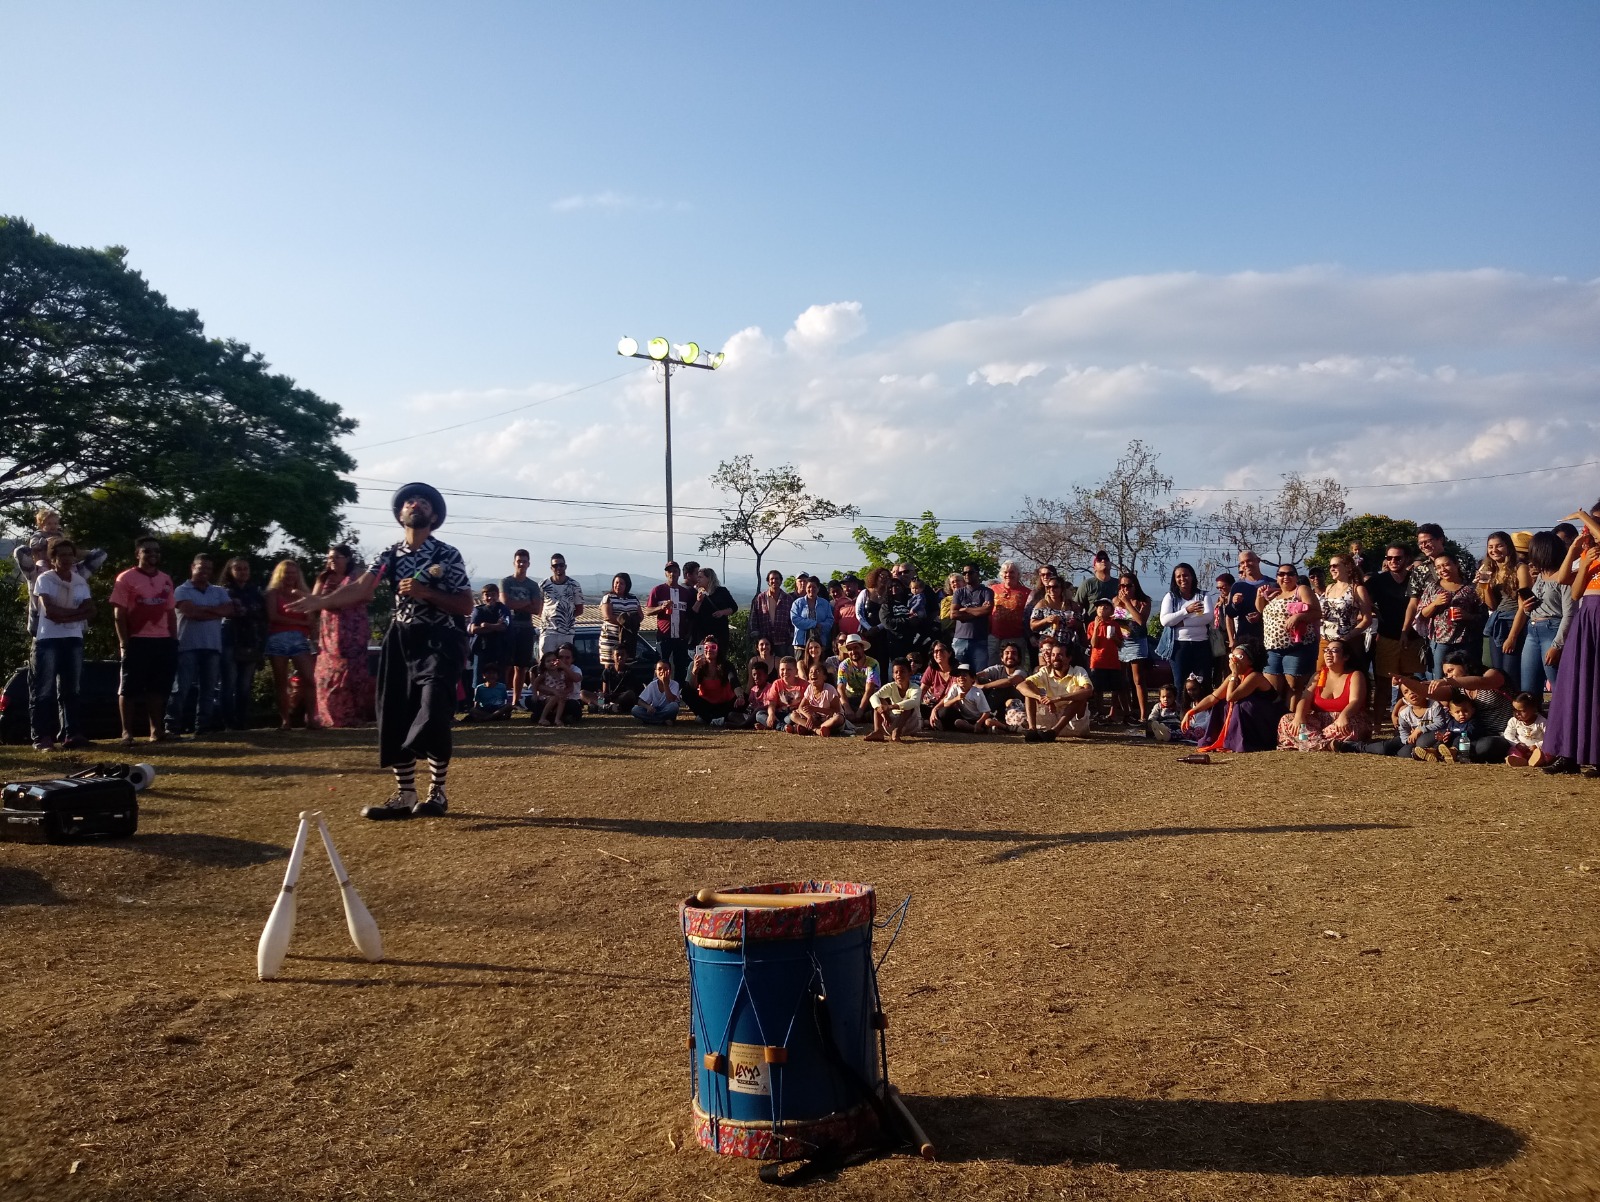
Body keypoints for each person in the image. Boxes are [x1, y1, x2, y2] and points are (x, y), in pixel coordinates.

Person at [289, 482, 474, 819]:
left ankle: (437, 792)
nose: (414, 503)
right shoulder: (388, 555)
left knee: (433, 710)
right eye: (407, 501)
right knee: (393, 713)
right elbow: (361, 589)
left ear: (434, 516)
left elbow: (465, 604)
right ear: (400, 514)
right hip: (400, 640)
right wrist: (320, 601)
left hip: (440, 640)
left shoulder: (447, 554)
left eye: (422, 502)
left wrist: (426, 593)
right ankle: (405, 795)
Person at [1539, 502, 1600, 776]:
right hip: (1587, 617)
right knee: (1574, 684)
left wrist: (1581, 514)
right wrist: (1577, 553)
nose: (1586, 526)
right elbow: (1568, 586)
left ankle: (1596, 755)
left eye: (1592, 522)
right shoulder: (1590, 552)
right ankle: (1569, 752)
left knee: (1596, 686)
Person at [110, 536, 179, 746]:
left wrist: (173, 640)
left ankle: (156, 731)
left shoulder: (165, 579)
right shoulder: (126, 578)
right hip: (136, 640)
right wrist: (124, 642)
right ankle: (126, 733)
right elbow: (119, 613)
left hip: (163, 641)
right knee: (129, 688)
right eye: (147, 551)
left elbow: (170, 613)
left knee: (158, 688)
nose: (153, 555)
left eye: (156, 551)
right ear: (138, 554)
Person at [28, 537, 95, 750]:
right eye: (61, 555)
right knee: (44, 690)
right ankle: (42, 737)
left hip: (73, 639)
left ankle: (71, 734)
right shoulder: (45, 579)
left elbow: (91, 610)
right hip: (49, 640)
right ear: (53, 558)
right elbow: (49, 611)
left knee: (71, 689)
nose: (66, 559)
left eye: (69, 554)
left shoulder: (79, 581)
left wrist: (66, 616)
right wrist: (76, 614)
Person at [1398, 650, 1514, 763]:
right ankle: (1442, 752)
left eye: (1450, 670)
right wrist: (1407, 682)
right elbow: (1430, 692)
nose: (1449, 676)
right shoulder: (1457, 688)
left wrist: (1447, 681)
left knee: (1485, 746)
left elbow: (1483, 682)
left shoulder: (1493, 673)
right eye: (1446, 674)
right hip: (1469, 733)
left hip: (1499, 734)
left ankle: (1450, 752)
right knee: (1424, 741)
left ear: (1464, 665)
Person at [167, 553, 236, 737]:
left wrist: (203, 609)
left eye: (208, 568)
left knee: (208, 690)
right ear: (192, 567)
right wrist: (215, 611)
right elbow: (191, 613)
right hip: (186, 646)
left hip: (212, 647)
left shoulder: (219, 590)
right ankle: (172, 727)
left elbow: (229, 610)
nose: (205, 571)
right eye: (201, 567)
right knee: (181, 688)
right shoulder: (182, 590)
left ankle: (203, 727)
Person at [1507, 531, 1574, 699]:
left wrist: (1557, 645)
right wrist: (1528, 608)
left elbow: (1569, 614)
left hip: (1553, 630)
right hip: (1533, 630)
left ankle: (1563, 723)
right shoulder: (1540, 576)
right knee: (1528, 687)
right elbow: (1540, 606)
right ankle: (1534, 723)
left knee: (1558, 684)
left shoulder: (1565, 577)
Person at [313, 544, 374, 728]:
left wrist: (341, 600)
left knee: (353, 673)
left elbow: (368, 595)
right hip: (329, 631)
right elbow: (314, 600)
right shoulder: (324, 578)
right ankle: (330, 717)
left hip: (354, 628)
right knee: (328, 674)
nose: (332, 561)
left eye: (337, 557)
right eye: (330, 557)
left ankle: (353, 715)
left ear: (347, 558)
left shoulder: (358, 574)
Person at [1277, 640, 1371, 751]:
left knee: (1350, 726)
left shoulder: (1355, 675)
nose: (1328, 654)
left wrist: (1344, 716)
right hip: (1319, 723)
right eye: (1326, 650)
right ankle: (1330, 745)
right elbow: (1305, 699)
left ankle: (1308, 743)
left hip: (1346, 719)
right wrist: (1299, 716)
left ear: (1346, 657)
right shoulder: (1318, 675)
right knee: (1286, 720)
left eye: (1334, 651)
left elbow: (1356, 701)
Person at [1188, 643, 1283, 753]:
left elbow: (1231, 697)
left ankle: (1247, 742)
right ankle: (1229, 739)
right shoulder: (1234, 677)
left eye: (1239, 657)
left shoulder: (1255, 676)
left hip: (1268, 719)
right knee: (1220, 703)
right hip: (1253, 717)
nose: (1234, 660)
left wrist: (1234, 673)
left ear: (1250, 661)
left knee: (1241, 705)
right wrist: (1192, 711)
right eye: (1231, 656)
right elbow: (1213, 698)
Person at [264, 560, 321, 732]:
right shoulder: (272, 593)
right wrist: (299, 622)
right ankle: (285, 721)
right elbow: (272, 616)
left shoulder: (304, 593)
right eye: (286, 572)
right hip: (277, 638)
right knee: (281, 682)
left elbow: (311, 619)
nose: (290, 576)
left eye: (293, 572)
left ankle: (311, 718)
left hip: (299, 639)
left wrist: (311, 631)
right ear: (280, 574)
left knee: (309, 679)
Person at [1366, 543, 1424, 710]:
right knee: (1383, 683)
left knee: (1409, 684)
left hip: (1413, 638)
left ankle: (1402, 720)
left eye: (1398, 558)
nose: (1393, 561)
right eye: (1389, 558)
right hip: (1387, 636)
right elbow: (1362, 599)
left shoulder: (1416, 578)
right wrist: (1374, 610)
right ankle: (1377, 725)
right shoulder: (1378, 579)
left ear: (1407, 559)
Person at [1257, 562, 1321, 706]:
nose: (1286, 577)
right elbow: (1261, 610)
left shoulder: (1301, 590)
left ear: (1296, 577)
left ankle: (1291, 720)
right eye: (1281, 574)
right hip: (1272, 649)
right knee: (1271, 689)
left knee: (1293, 687)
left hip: (1297, 648)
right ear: (1277, 577)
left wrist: (1298, 617)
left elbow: (1317, 612)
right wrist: (1260, 596)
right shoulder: (1274, 594)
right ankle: (1274, 722)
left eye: (1290, 573)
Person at [1415, 554, 1483, 680]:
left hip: (1466, 641)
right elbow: (1422, 615)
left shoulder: (1470, 588)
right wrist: (1435, 603)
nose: (1443, 570)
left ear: (1456, 564)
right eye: (1439, 567)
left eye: (1446, 565)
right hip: (1441, 642)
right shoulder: (1433, 587)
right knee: (1440, 678)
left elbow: (1482, 616)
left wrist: (1467, 616)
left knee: (1468, 677)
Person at [218, 556, 266, 730]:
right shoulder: (223, 591)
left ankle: (242, 721)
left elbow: (262, 615)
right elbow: (235, 611)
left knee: (245, 685)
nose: (243, 572)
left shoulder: (256, 591)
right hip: (230, 640)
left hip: (252, 641)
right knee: (228, 683)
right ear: (230, 571)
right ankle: (227, 722)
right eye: (238, 568)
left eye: (245, 568)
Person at [1158, 563, 1213, 707]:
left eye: (1186, 575)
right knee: (1180, 682)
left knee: (1203, 681)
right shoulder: (1170, 597)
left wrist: (1182, 623)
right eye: (1179, 576)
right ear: (1174, 579)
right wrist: (1186, 611)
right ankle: (1182, 717)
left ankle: (1204, 715)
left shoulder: (1204, 595)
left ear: (1192, 576)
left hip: (1201, 645)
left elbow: (1207, 617)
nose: (1183, 579)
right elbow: (1165, 620)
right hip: (1179, 646)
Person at [1017, 640, 1093, 740]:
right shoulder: (1045, 671)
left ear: (1069, 658)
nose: (1055, 658)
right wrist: (1040, 697)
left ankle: (1055, 732)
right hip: (1050, 717)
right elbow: (1021, 685)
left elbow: (1088, 691)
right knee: (1029, 691)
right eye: (1053, 655)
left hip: (1073, 724)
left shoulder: (1078, 671)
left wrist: (1058, 698)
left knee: (1080, 691)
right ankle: (1032, 730)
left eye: (1060, 655)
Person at [1349, 677, 1445, 757]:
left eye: (1414, 689)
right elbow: (1403, 731)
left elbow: (1440, 723)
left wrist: (1420, 729)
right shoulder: (1405, 713)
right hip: (1411, 741)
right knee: (1389, 749)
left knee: (1420, 744)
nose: (1411, 693)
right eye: (1406, 692)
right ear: (1404, 698)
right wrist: (1407, 740)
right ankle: (1355, 747)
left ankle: (1426, 753)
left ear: (1422, 689)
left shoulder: (1434, 706)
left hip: (1431, 737)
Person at [1476, 532, 1523, 691]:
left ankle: (1518, 711)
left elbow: (1523, 606)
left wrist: (1512, 637)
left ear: (1508, 547)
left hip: (1514, 622)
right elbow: (1492, 606)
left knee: (1511, 673)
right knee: (1498, 673)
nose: (1494, 550)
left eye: (1499, 545)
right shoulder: (1491, 570)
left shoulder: (1519, 568)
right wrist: (1485, 585)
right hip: (1497, 622)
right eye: (1490, 547)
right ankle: (1504, 711)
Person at [500, 550, 542, 716]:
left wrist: (516, 604)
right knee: (506, 666)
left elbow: (536, 608)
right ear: (514, 562)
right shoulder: (506, 582)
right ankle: (502, 700)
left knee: (521, 667)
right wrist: (526, 603)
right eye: (519, 561)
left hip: (526, 628)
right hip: (509, 629)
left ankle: (516, 701)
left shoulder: (532, 585)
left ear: (528, 564)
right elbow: (505, 603)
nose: (521, 564)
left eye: (524, 561)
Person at [1113, 571, 1154, 723]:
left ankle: (1144, 715)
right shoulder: (1116, 600)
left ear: (1135, 586)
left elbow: (1140, 621)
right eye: (1122, 586)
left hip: (1137, 642)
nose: (1125, 589)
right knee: (1120, 679)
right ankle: (1125, 712)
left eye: (1129, 585)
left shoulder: (1144, 602)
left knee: (1137, 679)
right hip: (1120, 642)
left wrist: (1128, 603)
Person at [645, 562, 696, 684]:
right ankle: (659, 694)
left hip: (681, 637)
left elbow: (690, 615)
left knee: (680, 668)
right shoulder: (658, 590)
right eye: (669, 571)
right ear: (665, 573)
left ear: (679, 574)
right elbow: (648, 611)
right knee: (661, 666)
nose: (672, 573)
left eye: (675, 571)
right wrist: (661, 607)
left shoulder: (685, 593)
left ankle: (678, 694)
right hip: (664, 636)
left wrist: (688, 633)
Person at [1319, 553, 1373, 666]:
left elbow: (1367, 619)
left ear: (1347, 567)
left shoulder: (1357, 589)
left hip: (1348, 642)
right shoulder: (1329, 588)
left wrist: (1346, 638)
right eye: (1330, 566)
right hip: (1326, 640)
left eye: (1335, 566)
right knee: (1321, 676)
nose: (1331, 569)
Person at [932, 663, 1005, 733]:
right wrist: (956, 698)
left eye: (964, 675)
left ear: (972, 679)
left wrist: (978, 722)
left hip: (979, 719)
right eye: (958, 675)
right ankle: (978, 729)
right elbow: (946, 704)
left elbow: (986, 712)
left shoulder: (977, 692)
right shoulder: (955, 687)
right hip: (965, 718)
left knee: (988, 722)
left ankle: (1005, 728)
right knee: (952, 718)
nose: (961, 678)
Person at [1029, 577, 1083, 667]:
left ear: (1061, 588)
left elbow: (1080, 625)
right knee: (1045, 671)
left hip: (1065, 645)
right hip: (1047, 644)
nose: (1051, 590)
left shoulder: (1071, 605)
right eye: (1048, 587)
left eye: (1055, 587)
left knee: (1063, 672)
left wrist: (1074, 623)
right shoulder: (1042, 604)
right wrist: (1046, 620)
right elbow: (1032, 625)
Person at [1086, 597, 1125, 722]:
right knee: (1098, 689)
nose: (1102, 609)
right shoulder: (1092, 625)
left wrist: (1114, 638)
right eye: (1100, 607)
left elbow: (1120, 644)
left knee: (1115, 688)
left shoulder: (1115, 624)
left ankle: (1112, 712)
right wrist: (1097, 627)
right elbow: (1094, 644)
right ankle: (1100, 712)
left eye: (1106, 607)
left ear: (1111, 611)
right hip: (1097, 661)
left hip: (1113, 661)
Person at [539, 552, 585, 657]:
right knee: (546, 665)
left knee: (565, 666)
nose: (558, 567)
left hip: (566, 633)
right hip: (548, 632)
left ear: (565, 566)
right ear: (551, 568)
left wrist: (566, 617)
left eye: (561, 565)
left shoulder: (574, 585)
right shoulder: (543, 585)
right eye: (555, 565)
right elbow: (539, 608)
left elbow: (579, 609)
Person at [865, 658, 922, 742]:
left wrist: (890, 707)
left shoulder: (915, 688)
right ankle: (878, 731)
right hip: (891, 723)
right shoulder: (890, 686)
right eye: (896, 672)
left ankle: (897, 731)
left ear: (910, 673)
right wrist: (882, 711)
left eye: (902, 672)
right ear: (892, 675)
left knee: (908, 706)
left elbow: (914, 701)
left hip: (912, 724)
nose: (899, 674)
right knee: (878, 702)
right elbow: (873, 697)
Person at [467, 583, 512, 688]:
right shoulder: (478, 610)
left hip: (500, 649)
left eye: (493, 594)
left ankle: (499, 703)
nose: (490, 597)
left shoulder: (503, 609)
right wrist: (495, 626)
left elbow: (504, 627)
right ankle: (477, 703)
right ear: (483, 597)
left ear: (497, 596)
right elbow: (474, 629)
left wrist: (486, 625)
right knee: (478, 680)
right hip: (481, 649)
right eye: (487, 595)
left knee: (500, 680)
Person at [686, 639, 740, 726]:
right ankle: (716, 719)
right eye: (706, 647)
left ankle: (708, 719)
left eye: (713, 647)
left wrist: (740, 696)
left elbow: (734, 681)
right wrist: (695, 670)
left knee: (744, 698)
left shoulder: (726, 665)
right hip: (705, 704)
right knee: (685, 692)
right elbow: (692, 688)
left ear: (718, 650)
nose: (709, 650)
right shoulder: (694, 664)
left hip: (724, 704)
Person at [1224, 550, 1269, 650]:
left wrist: (1261, 615)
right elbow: (1230, 614)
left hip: (1268, 638)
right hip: (1244, 639)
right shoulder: (1238, 586)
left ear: (1258, 561)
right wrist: (1234, 604)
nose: (1246, 565)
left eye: (1249, 561)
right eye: (1242, 563)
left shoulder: (1272, 584)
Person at [835, 633, 881, 728]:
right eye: (850, 649)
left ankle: (857, 717)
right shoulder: (844, 665)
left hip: (869, 699)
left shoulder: (873, 664)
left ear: (862, 648)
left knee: (878, 705)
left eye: (856, 648)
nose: (853, 651)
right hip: (851, 699)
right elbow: (840, 688)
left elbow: (869, 690)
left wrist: (860, 711)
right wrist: (847, 708)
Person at [988, 561, 1029, 667]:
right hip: (995, 636)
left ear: (1018, 574)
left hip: (1016, 636)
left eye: (1012, 572)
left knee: (1015, 667)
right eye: (1005, 572)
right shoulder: (993, 589)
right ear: (1002, 574)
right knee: (992, 666)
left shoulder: (1026, 592)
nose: (1008, 575)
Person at [788, 662, 845, 736]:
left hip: (829, 720)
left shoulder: (829, 689)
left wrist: (816, 709)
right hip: (816, 720)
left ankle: (810, 728)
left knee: (838, 718)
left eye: (817, 671)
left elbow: (836, 711)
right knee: (793, 715)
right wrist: (809, 716)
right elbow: (801, 707)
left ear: (824, 677)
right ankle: (816, 730)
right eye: (811, 672)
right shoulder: (809, 688)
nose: (813, 674)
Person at [599, 573, 642, 668]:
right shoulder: (608, 598)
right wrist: (625, 621)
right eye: (616, 582)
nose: (618, 585)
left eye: (621, 583)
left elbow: (640, 615)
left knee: (626, 667)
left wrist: (633, 621)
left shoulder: (633, 598)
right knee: (610, 668)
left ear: (627, 585)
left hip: (628, 639)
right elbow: (608, 616)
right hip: (611, 638)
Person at [691, 567, 738, 651]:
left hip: (720, 632)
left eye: (701, 577)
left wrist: (722, 612)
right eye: (697, 577)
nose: (698, 579)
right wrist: (698, 601)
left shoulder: (721, 591)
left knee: (720, 657)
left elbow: (734, 607)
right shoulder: (696, 593)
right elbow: (693, 614)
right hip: (702, 633)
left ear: (709, 578)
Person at [789, 577, 834, 661]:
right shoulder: (798, 603)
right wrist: (814, 624)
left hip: (819, 643)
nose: (811, 589)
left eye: (814, 587)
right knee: (801, 667)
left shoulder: (825, 603)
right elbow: (795, 619)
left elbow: (830, 620)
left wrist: (821, 626)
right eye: (809, 587)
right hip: (801, 644)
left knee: (818, 668)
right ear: (806, 588)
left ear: (818, 589)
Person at [750, 570, 794, 655]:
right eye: (772, 579)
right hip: (765, 641)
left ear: (781, 581)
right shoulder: (761, 598)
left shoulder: (788, 599)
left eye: (777, 579)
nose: (774, 581)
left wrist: (792, 634)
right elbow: (754, 616)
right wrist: (755, 633)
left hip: (782, 641)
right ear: (768, 582)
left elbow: (792, 619)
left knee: (781, 665)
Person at [632, 659, 682, 725]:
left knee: (674, 706)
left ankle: (651, 720)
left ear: (670, 671)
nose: (662, 671)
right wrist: (648, 707)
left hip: (667, 710)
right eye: (659, 669)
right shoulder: (652, 685)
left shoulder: (674, 684)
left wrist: (665, 683)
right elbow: (640, 701)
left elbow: (671, 699)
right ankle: (662, 721)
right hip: (654, 710)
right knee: (635, 710)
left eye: (665, 669)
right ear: (656, 672)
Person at [1503, 692, 1547, 768]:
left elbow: (1549, 738)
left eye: (1522, 711)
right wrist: (1517, 744)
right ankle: (1518, 760)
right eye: (1514, 710)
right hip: (1521, 748)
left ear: (1533, 709)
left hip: (1536, 749)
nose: (1517, 714)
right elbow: (1508, 734)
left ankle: (1537, 760)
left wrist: (1537, 745)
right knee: (1513, 751)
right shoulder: (1513, 721)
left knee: (1544, 752)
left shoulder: (1542, 722)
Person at [762, 656, 806, 731]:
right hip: (779, 713)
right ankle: (784, 727)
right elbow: (772, 703)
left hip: (793, 715)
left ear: (796, 671)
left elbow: (807, 704)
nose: (785, 672)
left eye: (789, 669)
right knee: (759, 714)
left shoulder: (804, 685)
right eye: (782, 669)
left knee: (790, 719)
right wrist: (771, 714)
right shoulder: (777, 683)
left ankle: (776, 725)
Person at [918, 641, 956, 724]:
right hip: (933, 705)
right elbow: (922, 690)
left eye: (942, 651)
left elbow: (950, 696)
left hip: (949, 706)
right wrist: (914, 705)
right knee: (915, 708)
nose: (938, 653)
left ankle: (928, 722)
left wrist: (935, 709)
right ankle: (931, 722)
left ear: (949, 653)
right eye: (935, 651)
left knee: (945, 712)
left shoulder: (957, 670)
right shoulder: (931, 669)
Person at [599, 647, 644, 714]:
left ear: (626, 656)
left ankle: (608, 707)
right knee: (583, 693)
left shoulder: (630, 672)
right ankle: (602, 706)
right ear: (612, 656)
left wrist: (614, 695)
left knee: (630, 694)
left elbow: (630, 692)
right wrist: (602, 694)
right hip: (609, 699)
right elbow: (604, 691)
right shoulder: (607, 671)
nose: (620, 657)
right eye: (617, 655)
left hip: (621, 699)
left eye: (622, 655)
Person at [533, 650, 570, 727]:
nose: (551, 662)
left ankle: (557, 719)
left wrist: (565, 692)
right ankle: (542, 718)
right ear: (544, 664)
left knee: (561, 700)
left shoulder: (563, 673)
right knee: (554, 698)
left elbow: (569, 685)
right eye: (548, 661)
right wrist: (534, 695)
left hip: (561, 695)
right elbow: (535, 683)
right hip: (548, 696)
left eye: (554, 660)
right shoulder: (545, 674)